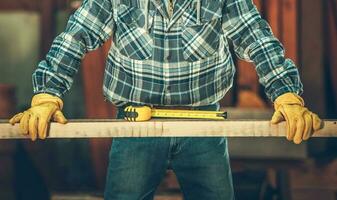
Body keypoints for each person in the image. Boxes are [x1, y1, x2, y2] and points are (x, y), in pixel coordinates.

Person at [9, 0, 324, 199]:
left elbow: (257, 38)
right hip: (135, 127)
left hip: (203, 127)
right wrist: (47, 93)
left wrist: (286, 94)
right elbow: (75, 37)